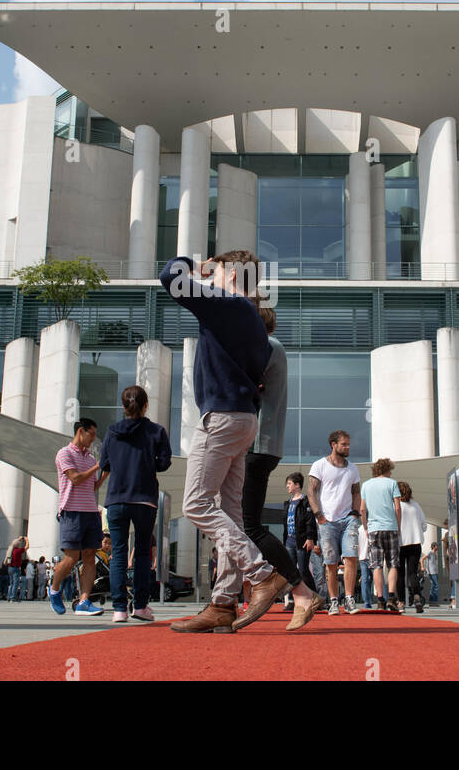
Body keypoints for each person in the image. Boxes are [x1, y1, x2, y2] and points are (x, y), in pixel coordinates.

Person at [160, 252, 286, 634]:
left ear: (231, 274)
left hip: (221, 418)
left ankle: (262, 573)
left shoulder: (227, 304)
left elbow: (169, 275)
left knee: (196, 504)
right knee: (229, 513)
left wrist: (194, 264)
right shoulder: (252, 318)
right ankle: (223, 602)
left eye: (216, 271)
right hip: (244, 420)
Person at [239, 305, 322, 630]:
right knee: (242, 523)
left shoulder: (266, 349)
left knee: (250, 526)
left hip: (258, 445)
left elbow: (246, 388)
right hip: (262, 445)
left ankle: (295, 586)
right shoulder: (274, 350)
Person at [100, 384, 172, 623]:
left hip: (117, 498)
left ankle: (119, 609)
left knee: (119, 553)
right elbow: (164, 463)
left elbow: (105, 464)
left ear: (123, 406)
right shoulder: (156, 431)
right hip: (144, 499)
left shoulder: (111, 432)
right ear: (145, 405)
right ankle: (140, 607)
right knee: (142, 552)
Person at [50, 418, 107, 616]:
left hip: (90, 511)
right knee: (71, 558)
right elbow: (75, 479)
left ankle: (84, 601)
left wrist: (104, 473)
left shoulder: (91, 459)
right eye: (91, 434)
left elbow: (92, 487)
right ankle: (55, 588)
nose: (93, 438)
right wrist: (97, 467)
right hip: (71, 511)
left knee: (91, 557)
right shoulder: (64, 453)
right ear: (80, 431)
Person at [309, 429, 363, 615]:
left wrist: (355, 514)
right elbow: (311, 492)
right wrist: (320, 517)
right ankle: (333, 601)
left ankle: (348, 598)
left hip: (348, 519)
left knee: (351, 557)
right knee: (330, 563)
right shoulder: (319, 465)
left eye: (348, 444)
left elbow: (356, 492)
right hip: (327, 521)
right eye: (344, 444)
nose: (347, 447)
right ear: (334, 445)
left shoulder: (353, 469)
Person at [360, 457, 403, 612]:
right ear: (387, 469)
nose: (391, 472)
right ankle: (391, 596)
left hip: (373, 529)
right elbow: (397, 508)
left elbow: (362, 510)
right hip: (390, 527)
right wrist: (398, 526)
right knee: (392, 563)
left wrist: (365, 527)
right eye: (390, 469)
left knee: (376, 565)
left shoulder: (366, 485)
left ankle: (380, 599)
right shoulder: (392, 484)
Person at [281, 473, 319, 610]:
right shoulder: (288, 503)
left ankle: (315, 598)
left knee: (303, 570)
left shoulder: (305, 502)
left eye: (289, 483)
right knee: (291, 572)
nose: (287, 486)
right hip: (289, 542)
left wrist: (310, 538)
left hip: (302, 541)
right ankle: (292, 600)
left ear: (297, 485)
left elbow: (310, 522)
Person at [396, 481, 427, 612]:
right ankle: (417, 597)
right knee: (413, 573)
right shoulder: (416, 506)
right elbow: (424, 525)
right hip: (415, 543)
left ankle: (401, 602)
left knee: (400, 574)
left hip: (400, 543)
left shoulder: (396, 506)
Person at [424, 542, 441, 606]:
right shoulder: (430, 553)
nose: (438, 547)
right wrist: (423, 567)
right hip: (432, 572)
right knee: (436, 586)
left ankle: (432, 602)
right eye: (437, 546)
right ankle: (434, 601)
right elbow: (422, 559)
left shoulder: (434, 554)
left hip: (435, 572)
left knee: (433, 586)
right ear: (434, 546)